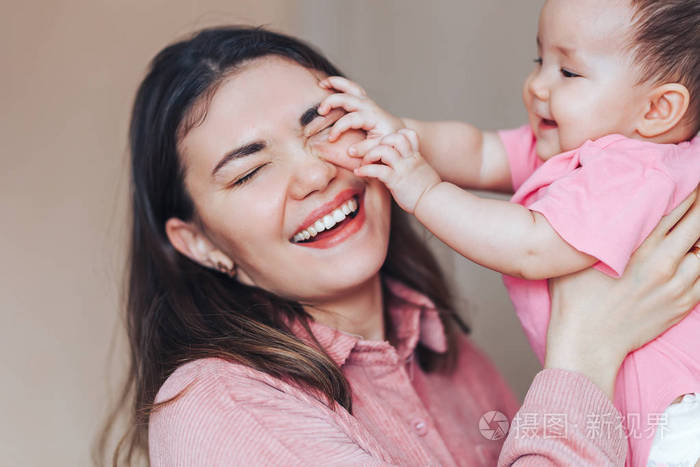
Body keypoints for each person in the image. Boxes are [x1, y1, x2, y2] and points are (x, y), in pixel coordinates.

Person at [95, 26, 700, 466]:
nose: (315, 173)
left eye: (325, 126)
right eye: (250, 171)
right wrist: (587, 351)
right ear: (198, 244)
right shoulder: (223, 409)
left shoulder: (450, 361)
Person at [314, 0, 700, 464]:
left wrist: (421, 191)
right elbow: (478, 152)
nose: (538, 85)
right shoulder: (581, 148)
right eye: (540, 61)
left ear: (658, 108)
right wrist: (397, 132)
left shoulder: (636, 172)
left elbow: (532, 246)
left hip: (676, 426)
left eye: (568, 72)